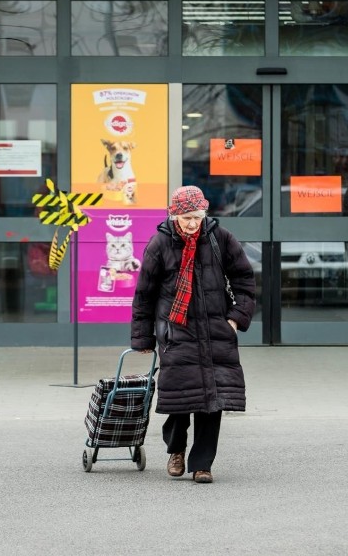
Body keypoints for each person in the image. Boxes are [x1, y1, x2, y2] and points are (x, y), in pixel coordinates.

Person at [131, 185, 255, 484]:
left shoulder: (220, 239)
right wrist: (143, 337)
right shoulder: (160, 243)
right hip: (176, 332)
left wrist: (235, 319)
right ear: (174, 215)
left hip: (216, 331)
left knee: (213, 401)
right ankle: (176, 449)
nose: (191, 223)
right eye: (186, 217)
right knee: (180, 398)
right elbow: (144, 294)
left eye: (197, 217)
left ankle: (202, 465)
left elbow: (244, 280)